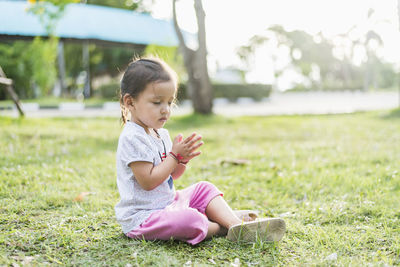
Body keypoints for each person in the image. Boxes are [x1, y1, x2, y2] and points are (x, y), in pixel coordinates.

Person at [115, 57, 286, 245]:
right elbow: (148, 182)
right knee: (190, 220)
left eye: (170, 102)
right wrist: (173, 156)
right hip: (144, 217)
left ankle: (234, 222)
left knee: (204, 188)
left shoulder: (159, 132)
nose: (165, 110)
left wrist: (181, 160)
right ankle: (224, 226)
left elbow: (173, 175)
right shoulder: (133, 137)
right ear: (130, 102)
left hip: (168, 203)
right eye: (157, 102)